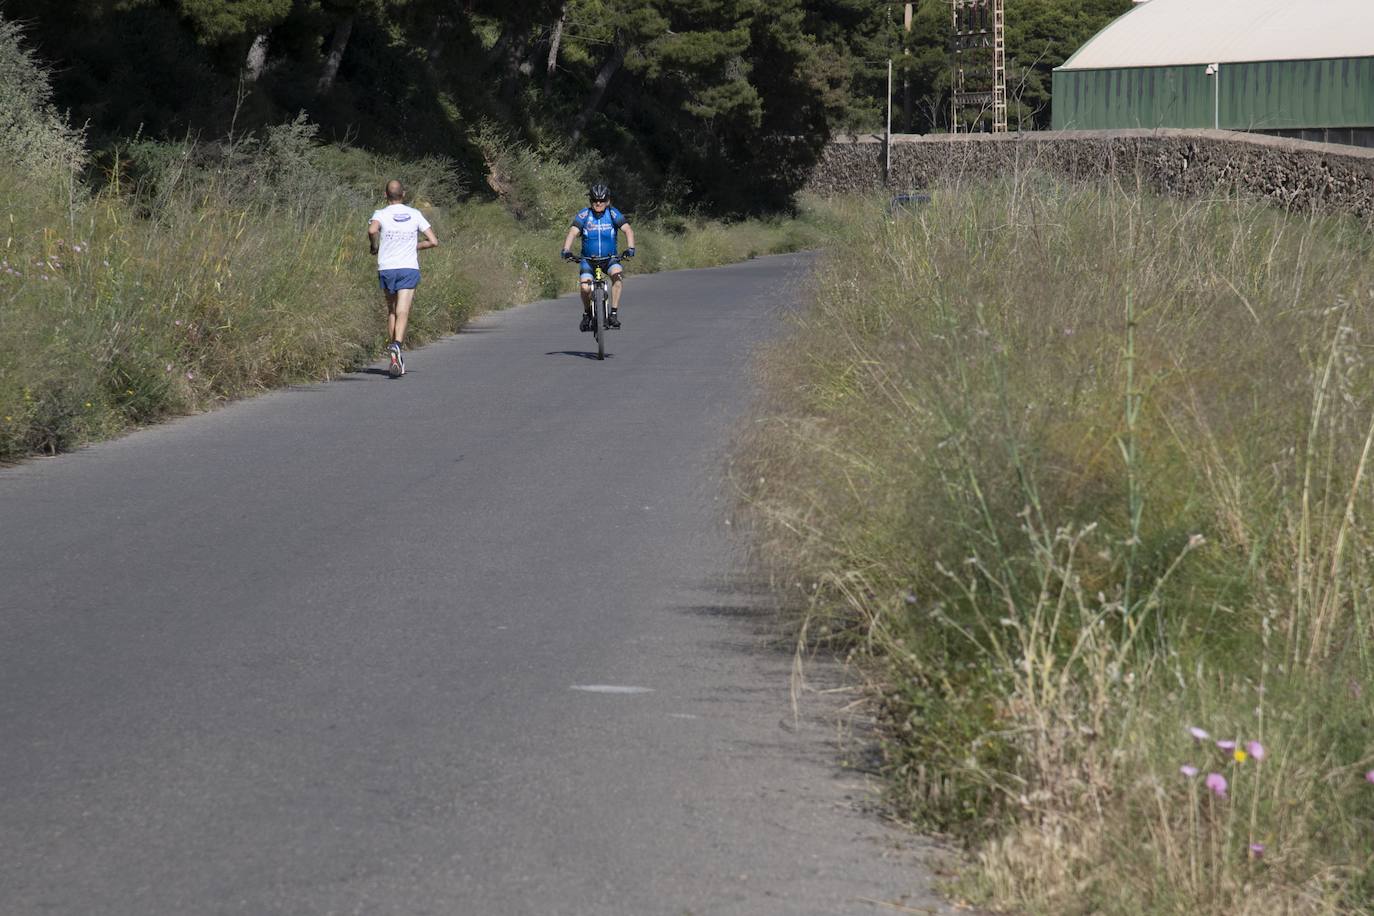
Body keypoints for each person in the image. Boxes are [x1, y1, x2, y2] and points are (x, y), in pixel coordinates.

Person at [369, 180, 439, 377]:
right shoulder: (415, 214)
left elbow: (372, 230)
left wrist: (374, 246)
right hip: (408, 268)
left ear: (385, 195)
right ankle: (397, 345)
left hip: (387, 268)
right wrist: (415, 246)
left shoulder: (380, 214)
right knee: (403, 310)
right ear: (404, 194)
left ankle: (394, 354)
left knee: (392, 311)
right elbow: (433, 241)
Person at [561, 183, 635, 331]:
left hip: (609, 258)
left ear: (608, 201)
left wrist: (630, 248)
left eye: (602, 200)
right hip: (588, 260)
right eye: (595, 200)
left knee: (617, 276)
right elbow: (573, 232)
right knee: (585, 287)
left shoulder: (613, 214)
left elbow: (628, 230)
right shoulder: (584, 215)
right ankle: (587, 313)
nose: (598, 203)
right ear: (591, 201)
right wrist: (566, 250)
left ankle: (613, 314)